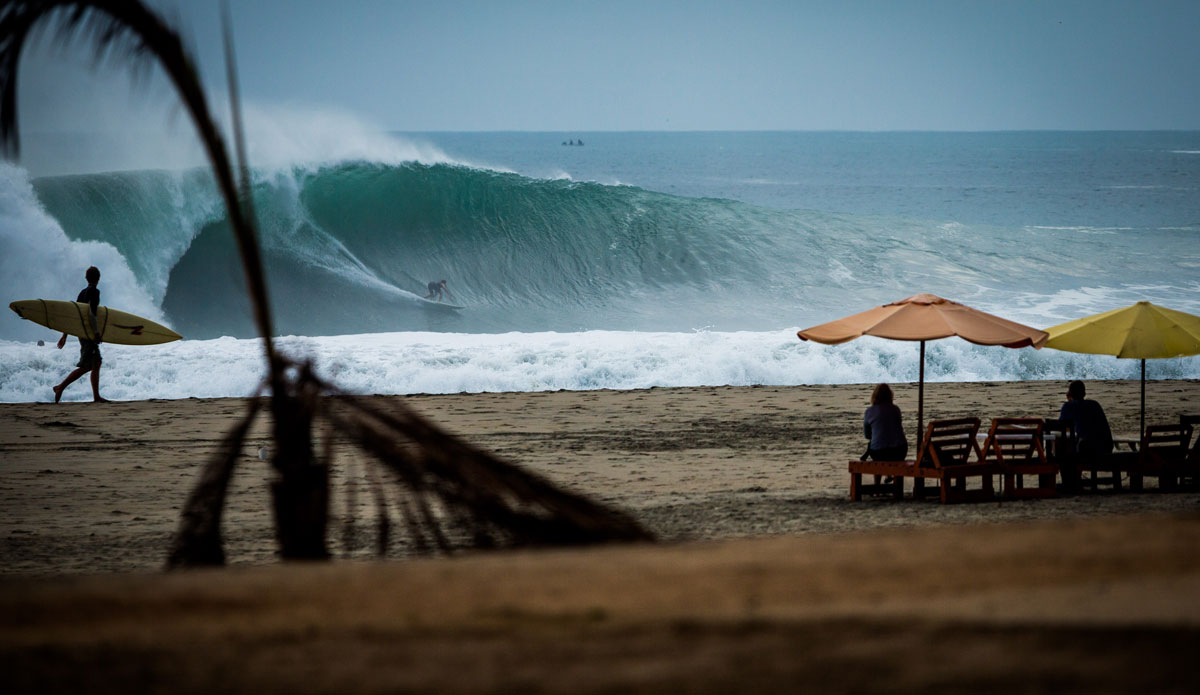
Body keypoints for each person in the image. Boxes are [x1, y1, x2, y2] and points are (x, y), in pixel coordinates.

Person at [52, 266, 108, 403]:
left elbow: (74, 315)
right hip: (88, 333)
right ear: (98, 278)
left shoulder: (82, 293)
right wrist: (96, 333)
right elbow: (91, 314)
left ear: (86, 278)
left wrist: (65, 335)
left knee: (96, 362)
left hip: (81, 333)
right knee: (87, 366)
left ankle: (96, 396)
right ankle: (60, 387)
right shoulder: (94, 292)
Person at [1058, 380, 1113, 457]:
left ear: (1070, 394)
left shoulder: (1068, 406)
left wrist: (1069, 401)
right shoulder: (1094, 404)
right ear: (1084, 393)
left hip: (1088, 449)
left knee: (1065, 446)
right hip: (1106, 447)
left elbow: (1060, 426)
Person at [863, 383, 907, 461]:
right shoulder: (895, 409)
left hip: (879, 453)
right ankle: (898, 473)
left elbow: (867, 435)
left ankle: (877, 473)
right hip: (900, 451)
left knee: (874, 442)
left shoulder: (869, 411)